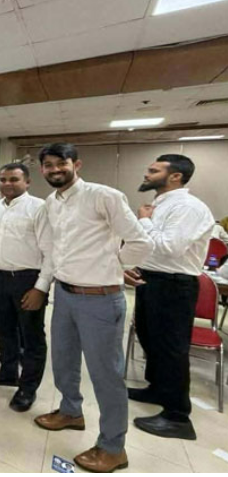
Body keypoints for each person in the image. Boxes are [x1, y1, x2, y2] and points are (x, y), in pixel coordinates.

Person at [34, 143, 153, 473]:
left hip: (100, 299)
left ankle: (113, 447)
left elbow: (142, 242)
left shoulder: (104, 196)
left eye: (61, 163)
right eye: (48, 165)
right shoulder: (51, 202)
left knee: (105, 375)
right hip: (65, 294)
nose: (55, 169)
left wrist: (115, 264)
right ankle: (71, 411)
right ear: (41, 169)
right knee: (63, 361)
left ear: (77, 164)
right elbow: (57, 248)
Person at [126, 154, 213, 440]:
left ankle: (177, 417)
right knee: (150, 339)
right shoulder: (160, 205)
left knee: (171, 348)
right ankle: (158, 390)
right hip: (152, 279)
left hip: (174, 285)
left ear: (175, 176)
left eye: (154, 170)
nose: (147, 174)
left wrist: (144, 221)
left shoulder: (188, 207)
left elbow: (169, 247)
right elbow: (150, 247)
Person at [0, 163, 52, 415]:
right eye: (3, 179)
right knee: (4, 330)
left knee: (31, 338)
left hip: (27, 280)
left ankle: (27, 388)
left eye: (14, 179)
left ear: (27, 182)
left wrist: (41, 287)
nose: (7, 184)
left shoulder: (39, 207)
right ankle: (8, 373)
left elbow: (50, 251)